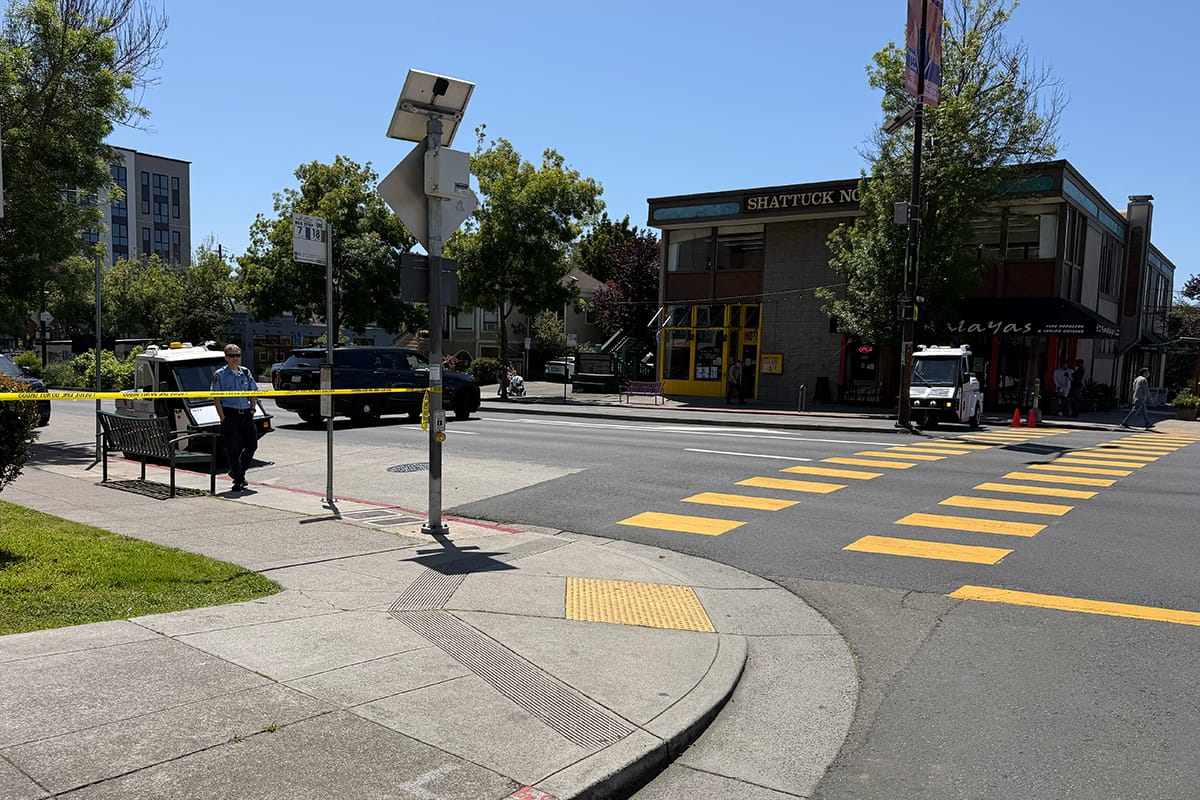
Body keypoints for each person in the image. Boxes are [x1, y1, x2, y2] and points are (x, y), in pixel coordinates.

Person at [212, 344, 259, 491]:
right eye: (232, 356)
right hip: (230, 414)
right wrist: (222, 418)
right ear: (226, 357)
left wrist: (252, 409)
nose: (235, 359)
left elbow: (253, 392)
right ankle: (238, 479)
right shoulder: (220, 375)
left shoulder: (245, 372)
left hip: (246, 414)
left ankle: (237, 472)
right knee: (233, 448)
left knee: (252, 446)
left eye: (238, 355)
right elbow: (216, 399)